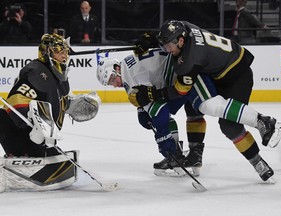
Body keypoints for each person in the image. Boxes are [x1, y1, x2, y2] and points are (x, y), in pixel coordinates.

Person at [133, 20, 281, 182]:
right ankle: (195, 153)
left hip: (237, 77)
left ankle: (262, 128)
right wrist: (151, 38)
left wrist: (153, 94)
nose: (166, 50)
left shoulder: (189, 59)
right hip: (223, 69)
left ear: (181, 41)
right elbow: (174, 26)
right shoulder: (185, 28)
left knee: (229, 126)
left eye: (168, 46)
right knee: (193, 104)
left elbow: (179, 90)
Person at [0, 33, 99, 192]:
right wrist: (32, 123)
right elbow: (16, 100)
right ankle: (19, 152)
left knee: (48, 150)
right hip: (25, 132)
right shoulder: (34, 70)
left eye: (65, 51)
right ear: (47, 52)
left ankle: (37, 151)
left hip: (43, 138)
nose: (64, 55)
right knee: (2, 116)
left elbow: (55, 100)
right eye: (59, 51)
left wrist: (71, 105)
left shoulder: (60, 74)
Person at [96, 51, 206, 177]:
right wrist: (143, 110)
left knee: (165, 116)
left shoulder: (131, 76)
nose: (114, 85)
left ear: (117, 68)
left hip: (186, 77)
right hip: (183, 72)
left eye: (112, 79)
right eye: (110, 84)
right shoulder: (127, 67)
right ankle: (183, 156)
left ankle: (176, 156)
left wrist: (163, 139)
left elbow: (160, 110)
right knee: (170, 113)